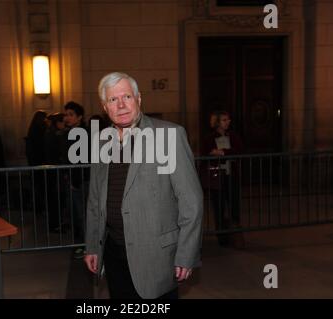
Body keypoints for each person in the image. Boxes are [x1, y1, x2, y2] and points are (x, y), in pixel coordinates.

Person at [84, 72, 203, 299]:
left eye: (127, 97)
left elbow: (192, 203)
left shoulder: (169, 135)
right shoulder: (101, 140)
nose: (121, 105)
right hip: (113, 252)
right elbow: (94, 200)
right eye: (113, 100)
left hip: (156, 257)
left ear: (138, 99)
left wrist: (186, 255)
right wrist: (92, 245)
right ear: (104, 106)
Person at [200, 111, 243, 247]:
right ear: (218, 122)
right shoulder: (210, 138)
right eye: (224, 120)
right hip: (216, 177)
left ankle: (235, 234)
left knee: (234, 205)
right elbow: (207, 153)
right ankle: (222, 237)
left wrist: (223, 152)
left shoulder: (233, 136)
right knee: (218, 207)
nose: (227, 122)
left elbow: (239, 150)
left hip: (231, 176)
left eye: (228, 119)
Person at [61, 102, 89, 259]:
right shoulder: (69, 132)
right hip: (72, 179)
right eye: (66, 114)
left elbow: (80, 160)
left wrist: (75, 181)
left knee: (82, 214)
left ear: (79, 117)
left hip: (80, 180)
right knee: (75, 214)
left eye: (71, 114)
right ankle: (81, 244)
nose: (67, 117)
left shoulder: (82, 133)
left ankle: (87, 246)